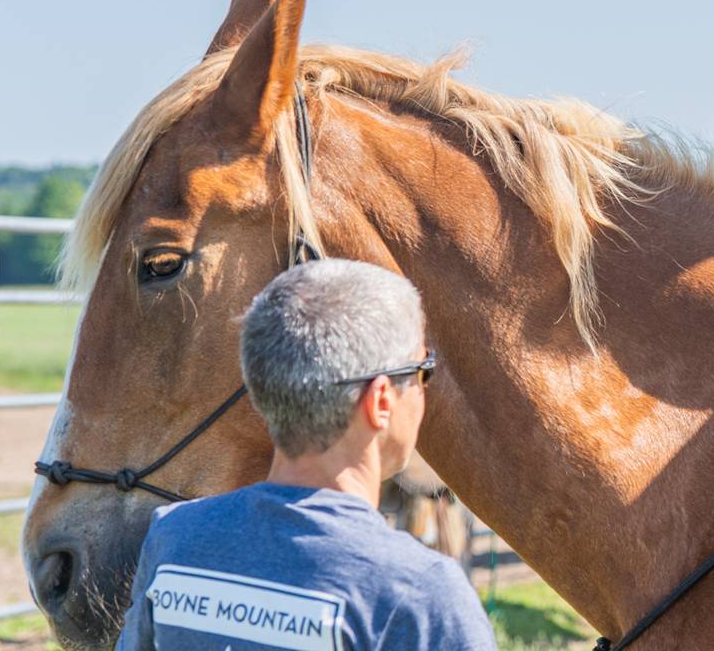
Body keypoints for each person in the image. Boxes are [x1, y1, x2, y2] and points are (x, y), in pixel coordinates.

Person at [114, 259, 497, 651]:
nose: (424, 390)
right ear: (381, 400)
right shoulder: (420, 593)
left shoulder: (174, 539)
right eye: (422, 371)